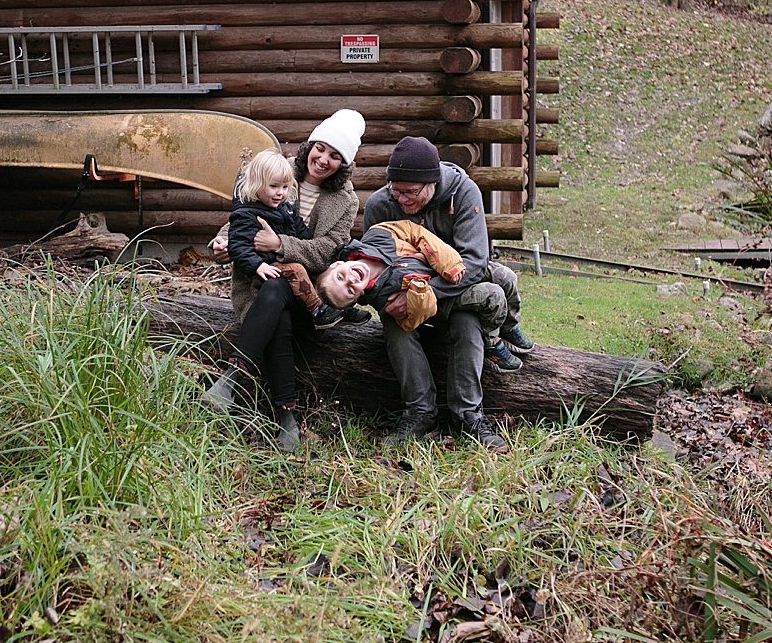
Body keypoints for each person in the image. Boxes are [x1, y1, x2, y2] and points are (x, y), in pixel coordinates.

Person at [203, 109, 366, 451]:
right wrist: (222, 242)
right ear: (312, 144)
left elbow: (326, 250)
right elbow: (242, 212)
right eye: (321, 148)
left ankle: (230, 379)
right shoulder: (276, 168)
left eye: (335, 156)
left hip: (310, 293)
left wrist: (281, 245)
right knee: (278, 314)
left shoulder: (345, 201)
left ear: (343, 164)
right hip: (256, 282)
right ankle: (287, 419)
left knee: (280, 288)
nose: (323, 160)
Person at [361, 136, 532, 449]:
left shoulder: (464, 193)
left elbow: (476, 264)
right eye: (395, 190)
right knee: (394, 323)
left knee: (468, 323)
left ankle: (468, 417)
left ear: (432, 183)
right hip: (404, 294)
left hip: (456, 291)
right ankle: (419, 412)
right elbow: (370, 264)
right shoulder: (379, 205)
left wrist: (424, 295)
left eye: (410, 192)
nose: (401, 200)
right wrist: (391, 297)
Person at [316, 220, 532, 371]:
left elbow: (415, 232)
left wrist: (448, 264)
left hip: (453, 268)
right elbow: (416, 317)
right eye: (350, 291)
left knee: (507, 276)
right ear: (359, 296)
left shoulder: (377, 235)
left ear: (337, 264)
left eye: (340, 277)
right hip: (446, 299)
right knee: (493, 296)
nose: (350, 281)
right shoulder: (384, 298)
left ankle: (510, 325)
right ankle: (491, 341)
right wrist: (420, 291)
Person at [225, 148, 343, 329]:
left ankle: (336, 306)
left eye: (285, 187)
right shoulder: (247, 214)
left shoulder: (286, 209)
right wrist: (257, 265)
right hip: (259, 269)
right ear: (257, 184)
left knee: (309, 270)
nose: (280, 193)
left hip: (278, 262)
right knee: (296, 269)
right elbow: (238, 245)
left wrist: (294, 243)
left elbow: (302, 234)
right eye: (274, 186)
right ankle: (317, 310)